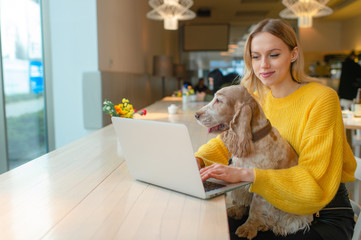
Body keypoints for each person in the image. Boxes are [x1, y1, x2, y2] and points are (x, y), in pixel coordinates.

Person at [195, 18, 356, 240]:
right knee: (206, 227)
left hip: (319, 213)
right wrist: (199, 160)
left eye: (274, 54)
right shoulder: (259, 98)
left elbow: (313, 179)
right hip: (266, 203)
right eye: (256, 56)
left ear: (294, 54)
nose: (263, 65)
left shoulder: (321, 99)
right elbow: (232, 140)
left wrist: (247, 175)